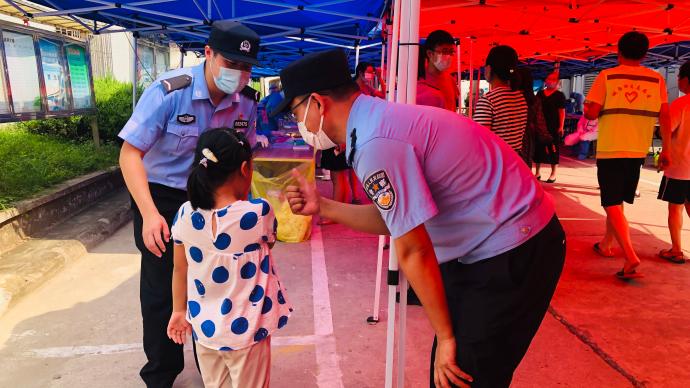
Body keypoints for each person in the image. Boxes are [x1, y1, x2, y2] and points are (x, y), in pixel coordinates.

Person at [276, 49, 565, 388]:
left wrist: (445, 337)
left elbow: (413, 249)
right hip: (499, 244)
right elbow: (399, 218)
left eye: (296, 113)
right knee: (451, 372)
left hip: (516, 247)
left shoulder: (374, 142)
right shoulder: (373, 122)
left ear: (317, 103)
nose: (299, 125)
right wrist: (324, 207)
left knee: (459, 374)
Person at [118, 21, 263, 387]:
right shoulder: (169, 92)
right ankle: (161, 374)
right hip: (162, 198)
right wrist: (150, 215)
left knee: (212, 283)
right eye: (231, 63)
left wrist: (243, 211)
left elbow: (244, 161)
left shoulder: (246, 102)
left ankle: (210, 366)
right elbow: (130, 154)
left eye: (246, 67)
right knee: (162, 287)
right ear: (209, 54)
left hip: (214, 199)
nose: (239, 74)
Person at [167, 128, 291, 388]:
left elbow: (180, 269)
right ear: (245, 169)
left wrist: (179, 310)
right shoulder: (257, 214)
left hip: (205, 330)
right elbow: (271, 241)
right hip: (246, 331)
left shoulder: (184, 215)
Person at [584, 31, 672, 279]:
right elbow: (664, 115)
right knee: (618, 201)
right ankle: (606, 244)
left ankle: (630, 256)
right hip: (637, 148)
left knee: (611, 203)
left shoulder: (607, 76)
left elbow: (592, 113)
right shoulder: (657, 80)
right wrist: (666, 148)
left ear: (618, 51)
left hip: (612, 147)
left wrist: (589, 108)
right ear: (645, 54)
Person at [657, 60, 690, 264]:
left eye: (678, 76)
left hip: (680, 167)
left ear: (686, 80)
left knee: (675, 208)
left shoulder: (680, 104)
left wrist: (664, 154)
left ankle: (676, 250)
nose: (677, 80)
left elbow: (667, 131)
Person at [473, 45, 528, 154]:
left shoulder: (488, 100)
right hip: (515, 159)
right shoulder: (520, 98)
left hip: (496, 162)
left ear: (489, 69)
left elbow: (481, 142)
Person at [534, 72, 566, 183]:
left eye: (553, 79)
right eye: (549, 78)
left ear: (557, 82)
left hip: (554, 126)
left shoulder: (559, 95)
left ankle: (553, 174)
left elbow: (561, 111)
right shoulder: (540, 93)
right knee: (538, 149)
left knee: (553, 149)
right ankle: (537, 172)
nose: (550, 81)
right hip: (540, 125)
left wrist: (561, 126)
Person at [417, 30, 459, 111]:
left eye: (451, 52)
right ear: (430, 53)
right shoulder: (419, 79)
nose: (448, 56)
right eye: (444, 51)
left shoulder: (451, 81)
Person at [515, 67, 549, 167]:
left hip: (509, 135)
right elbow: (540, 123)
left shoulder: (510, 97)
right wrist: (547, 138)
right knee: (524, 164)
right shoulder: (533, 100)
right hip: (526, 136)